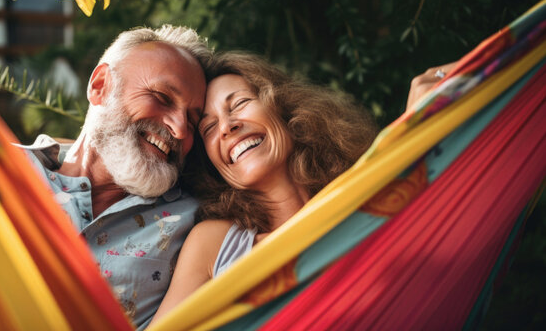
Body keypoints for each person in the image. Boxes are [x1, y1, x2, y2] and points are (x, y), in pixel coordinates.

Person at [151, 52, 456, 323]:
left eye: (240, 103)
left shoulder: (372, 197)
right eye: (208, 127)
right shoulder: (213, 245)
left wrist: (420, 134)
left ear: (284, 109)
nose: (228, 127)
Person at [19, 25, 212, 328]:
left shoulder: (198, 219)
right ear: (100, 86)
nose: (179, 129)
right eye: (161, 96)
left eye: (192, 119)